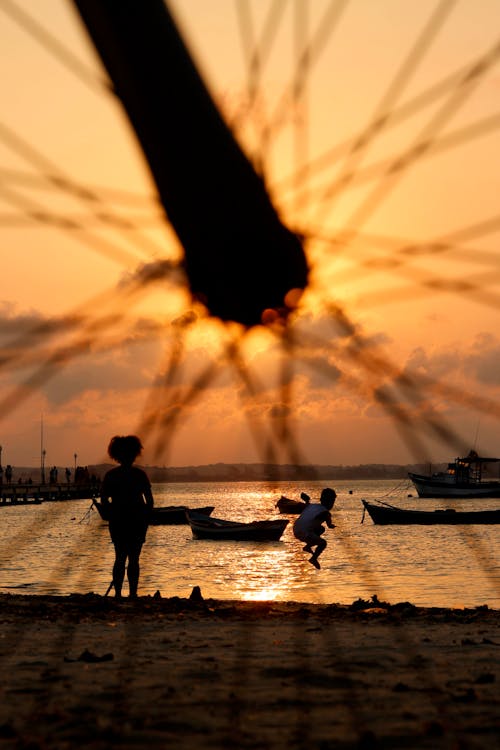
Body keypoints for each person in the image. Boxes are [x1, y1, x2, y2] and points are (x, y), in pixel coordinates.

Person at [100, 435, 154, 599]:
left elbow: (104, 501)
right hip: (137, 521)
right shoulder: (140, 475)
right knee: (134, 559)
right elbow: (150, 501)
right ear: (134, 454)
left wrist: (111, 515)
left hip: (118, 521)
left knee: (120, 558)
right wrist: (144, 518)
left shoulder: (111, 476)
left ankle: (117, 594)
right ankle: (132, 594)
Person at [292, 487, 336, 569]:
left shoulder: (312, 505)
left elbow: (307, 505)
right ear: (331, 502)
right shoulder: (326, 513)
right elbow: (329, 525)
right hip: (305, 533)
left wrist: (306, 500)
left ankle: (308, 546)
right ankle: (313, 558)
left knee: (321, 529)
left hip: (295, 529)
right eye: (333, 501)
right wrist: (332, 525)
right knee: (323, 543)